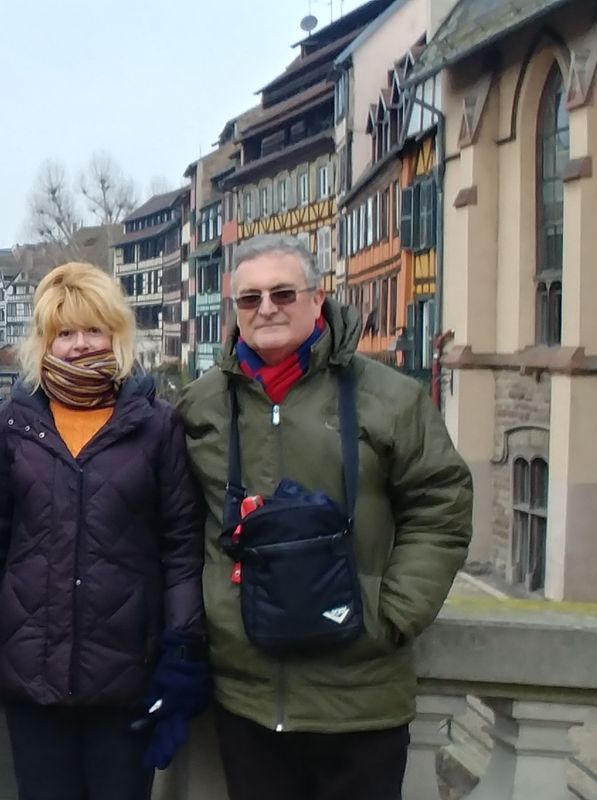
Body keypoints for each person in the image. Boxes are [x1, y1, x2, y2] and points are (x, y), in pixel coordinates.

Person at [176, 233, 473, 800]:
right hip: (247, 695)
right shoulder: (202, 405)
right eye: (250, 298)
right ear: (233, 311)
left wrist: (391, 610)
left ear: (318, 299)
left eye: (284, 293)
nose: (266, 308)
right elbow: (177, 525)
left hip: (360, 698)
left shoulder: (390, 398)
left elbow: (442, 504)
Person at [0, 262, 208, 799]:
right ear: (45, 342)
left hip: (128, 671)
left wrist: (182, 644)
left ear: (116, 335)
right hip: (31, 669)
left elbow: (181, 546)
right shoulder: (14, 424)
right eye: (64, 333)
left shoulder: (155, 423)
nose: (79, 345)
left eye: (93, 330)